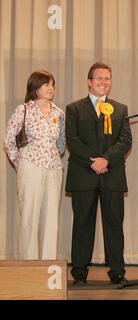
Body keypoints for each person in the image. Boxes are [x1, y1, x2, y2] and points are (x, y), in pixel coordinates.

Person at [65, 62, 132, 285]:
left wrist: (106, 160)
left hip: (112, 174)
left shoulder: (120, 109)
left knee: (114, 224)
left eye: (108, 78)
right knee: (82, 224)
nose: (104, 82)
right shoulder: (74, 108)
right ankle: (80, 271)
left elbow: (125, 141)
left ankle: (117, 271)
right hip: (84, 174)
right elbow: (72, 139)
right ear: (89, 81)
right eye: (100, 78)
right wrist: (94, 162)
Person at [3, 70, 65, 260]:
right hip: (30, 167)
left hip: (54, 169)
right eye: (46, 84)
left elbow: (61, 143)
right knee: (29, 218)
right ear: (35, 88)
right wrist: (20, 163)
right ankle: (28, 264)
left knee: (51, 220)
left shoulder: (59, 113)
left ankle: (47, 264)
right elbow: (8, 141)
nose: (51, 88)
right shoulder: (23, 110)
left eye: (52, 84)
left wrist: (52, 157)